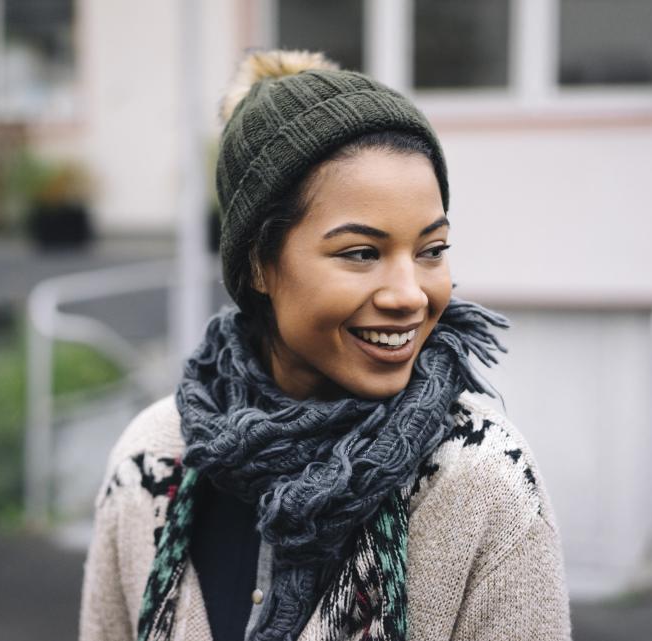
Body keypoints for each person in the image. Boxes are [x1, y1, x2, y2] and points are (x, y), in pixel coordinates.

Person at [79, 49, 571, 641]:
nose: (410, 295)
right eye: (361, 253)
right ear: (260, 265)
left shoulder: (481, 480)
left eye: (431, 250)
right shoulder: (151, 463)